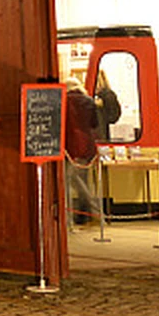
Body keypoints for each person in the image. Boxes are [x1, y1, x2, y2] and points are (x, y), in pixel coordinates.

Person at [64, 82, 103, 226]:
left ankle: (88, 213)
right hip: (87, 145)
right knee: (82, 180)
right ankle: (87, 214)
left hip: (71, 146)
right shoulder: (89, 101)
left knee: (69, 182)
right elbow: (94, 124)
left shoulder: (66, 101)